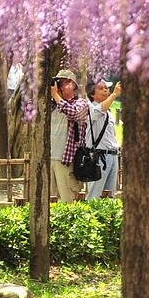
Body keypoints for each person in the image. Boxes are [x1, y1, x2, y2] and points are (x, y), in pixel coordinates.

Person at [49, 69, 90, 201]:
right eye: (57, 82)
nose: (58, 85)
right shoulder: (50, 105)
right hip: (48, 158)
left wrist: (56, 96)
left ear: (72, 85)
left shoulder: (80, 103)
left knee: (67, 200)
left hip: (66, 160)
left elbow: (75, 114)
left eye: (62, 82)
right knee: (48, 201)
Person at [84, 78, 122, 199]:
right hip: (98, 158)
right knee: (95, 196)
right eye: (101, 88)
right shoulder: (89, 108)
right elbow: (96, 112)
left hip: (113, 156)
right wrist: (114, 95)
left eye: (106, 88)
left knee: (110, 197)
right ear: (92, 94)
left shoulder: (108, 112)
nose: (106, 90)